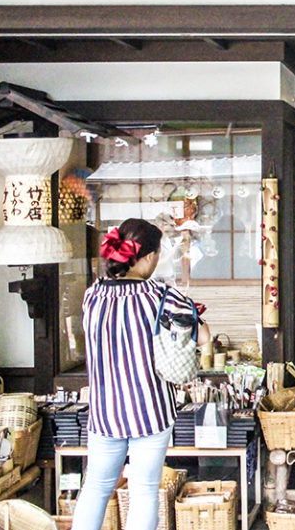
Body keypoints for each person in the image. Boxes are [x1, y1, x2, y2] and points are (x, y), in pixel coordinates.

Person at [71, 218, 210, 530]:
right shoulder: (160, 296)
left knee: (95, 487)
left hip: (105, 413)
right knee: (144, 491)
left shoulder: (93, 295)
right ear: (147, 257)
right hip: (149, 411)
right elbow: (202, 337)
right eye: (158, 253)